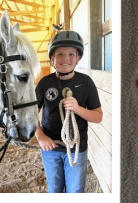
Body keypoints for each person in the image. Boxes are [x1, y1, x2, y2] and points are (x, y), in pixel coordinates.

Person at [35, 30, 103, 193]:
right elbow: (31, 114)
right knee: (54, 188)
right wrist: (40, 136)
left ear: (78, 58)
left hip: (77, 149)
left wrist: (78, 109)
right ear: (52, 58)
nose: (65, 59)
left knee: (76, 190)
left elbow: (98, 116)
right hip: (50, 149)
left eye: (71, 54)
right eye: (60, 54)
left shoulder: (86, 82)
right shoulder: (44, 83)